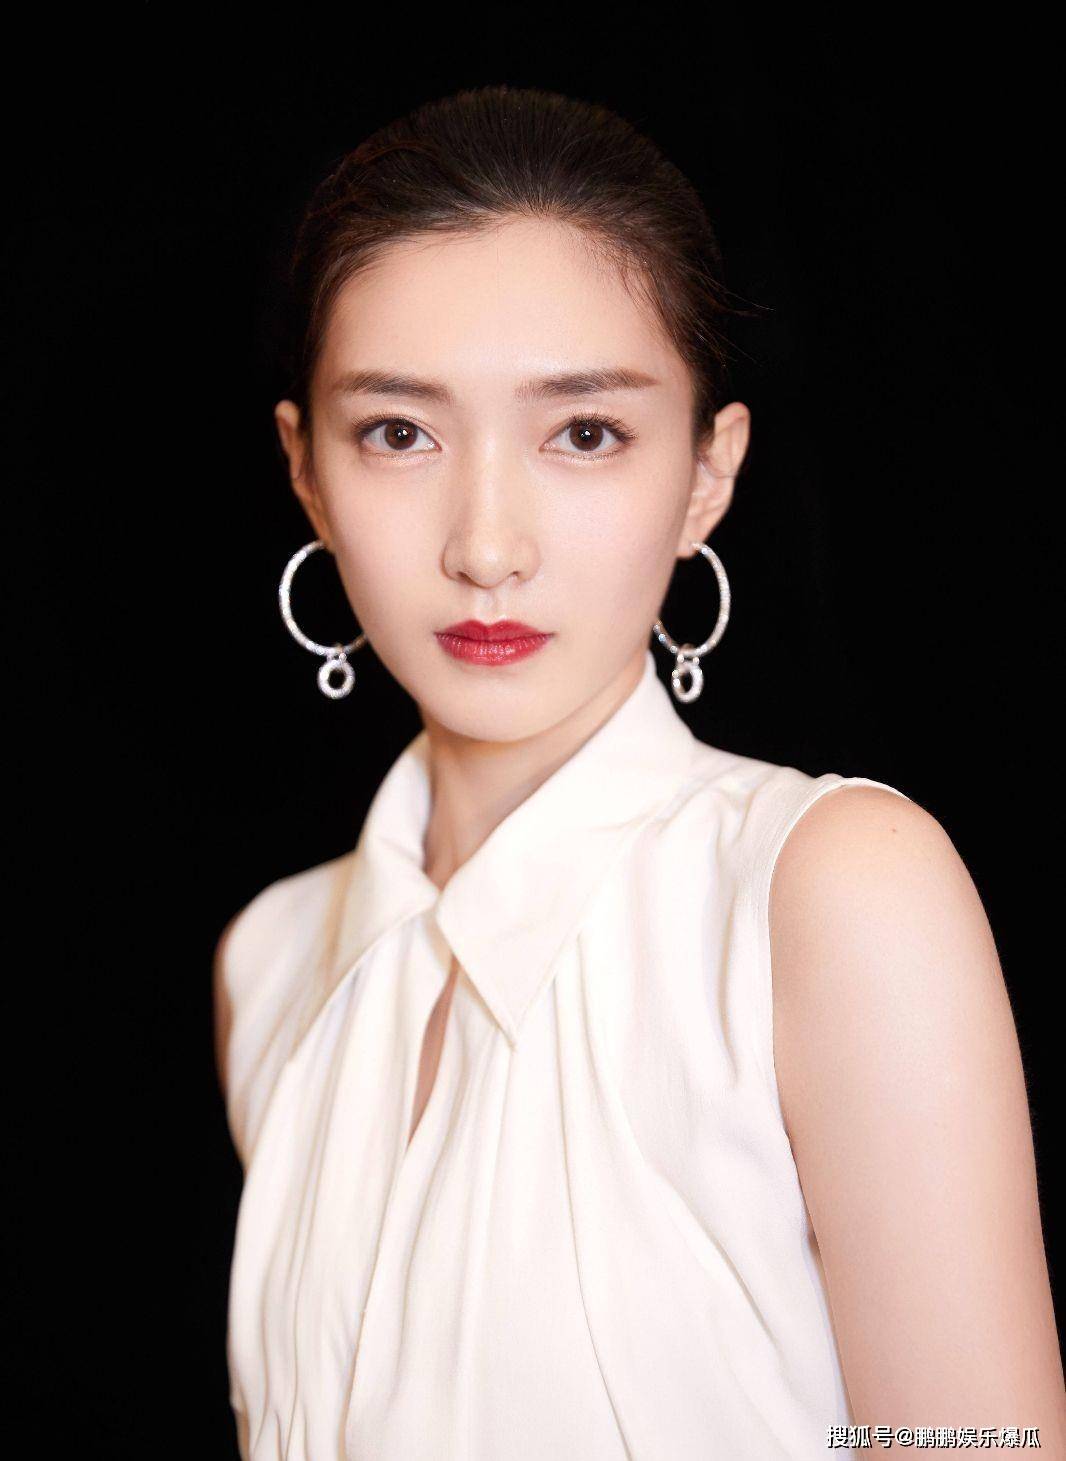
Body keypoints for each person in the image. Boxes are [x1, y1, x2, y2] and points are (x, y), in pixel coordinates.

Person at [213, 85, 1065, 1460]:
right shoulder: (272, 964)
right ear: (305, 468)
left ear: (707, 474)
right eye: (399, 432)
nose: (487, 547)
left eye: (585, 433)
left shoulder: (826, 892)